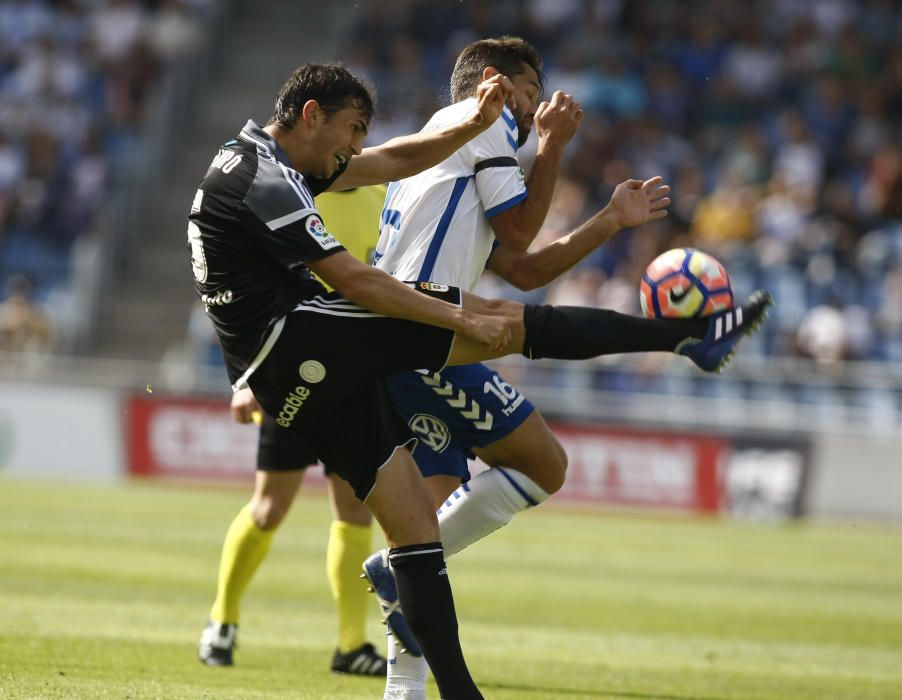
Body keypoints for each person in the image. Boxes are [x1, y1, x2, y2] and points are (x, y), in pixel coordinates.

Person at [186, 62, 769, 700]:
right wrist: (452, 314)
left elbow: (394, 161)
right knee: (496, 321)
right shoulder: (264, 176)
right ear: (310, 115)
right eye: (351, 130)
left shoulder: (272, 162)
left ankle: (448, 693)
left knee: (413, 531)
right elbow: (355, 280)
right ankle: (681, 338)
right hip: (302, 341)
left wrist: (476, 120)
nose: (355, 147)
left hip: (289, 376)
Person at [360, 37, 768, 699]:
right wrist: (550, 145)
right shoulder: (481, 120)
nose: (533, 107)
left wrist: (608, 220)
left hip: (403, 335)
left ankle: (403, 688)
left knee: (424, 534)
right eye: (529, 92)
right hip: (426, 332)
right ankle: (687, 337)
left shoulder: (447, 146)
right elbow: (520, 236)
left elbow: (521, 269)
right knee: (544, 464)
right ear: (493, 82)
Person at [197, 187, 390, 675]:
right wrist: (245, 376)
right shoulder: (292, 192)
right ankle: (222, 621)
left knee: (354, 511)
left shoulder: (385, 194)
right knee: (268, 509)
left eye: (360, 129)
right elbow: (236, 284)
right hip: (290, 372)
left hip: (353, 374)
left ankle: (351, 645)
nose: (353, 140)